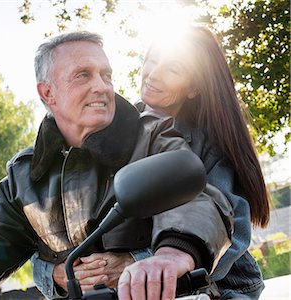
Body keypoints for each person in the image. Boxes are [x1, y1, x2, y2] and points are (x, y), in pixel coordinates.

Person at [0, 31, 232, 300]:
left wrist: (169, 257)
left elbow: (197, 200)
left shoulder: (153, 134)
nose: (101, 86)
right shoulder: (25, 176)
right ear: (48, 93)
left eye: (105, 74)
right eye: (82, 76)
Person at [31, 26, 268, 300]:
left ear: (192, 88)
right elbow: (63, 236)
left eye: (173, 69)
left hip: (217, 283)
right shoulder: (110, 131)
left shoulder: (209, 146)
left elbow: (230, 231)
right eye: (152, 59)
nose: (153, 74)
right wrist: (58, 272)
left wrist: (137, 261)